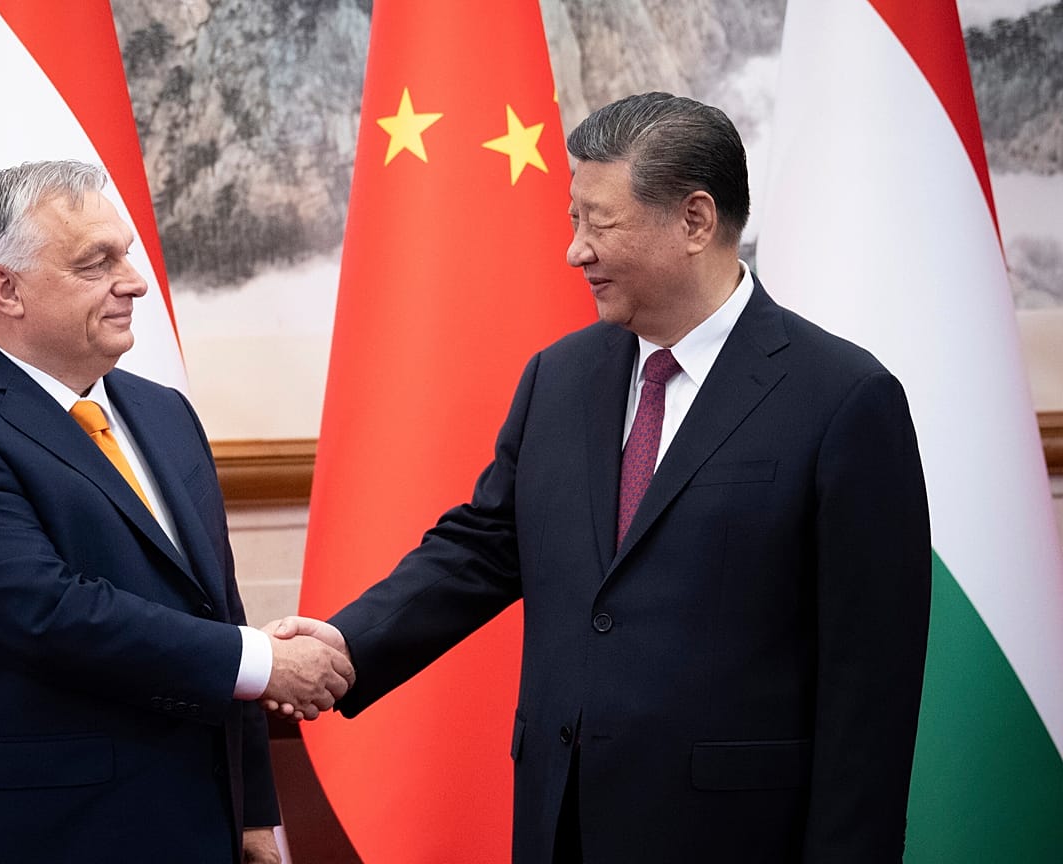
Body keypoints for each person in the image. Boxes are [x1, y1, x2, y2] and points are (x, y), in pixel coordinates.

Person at [270, 93, 931, 862]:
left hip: (736, 837)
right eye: (572, 220)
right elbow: (484, 547)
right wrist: (346, 644)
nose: (575, 250)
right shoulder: (561, 377)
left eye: (599, 222)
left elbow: (871, 692)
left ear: (694, 220)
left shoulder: (843, 399)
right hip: (563, 823)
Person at [0, 160, 352, 864]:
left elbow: (215, 606)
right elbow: (50, 615)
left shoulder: (162, 412)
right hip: (26, 837)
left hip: (188, 823)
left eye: (126, 253)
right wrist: (262, 662)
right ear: (6, 288)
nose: (135, 280)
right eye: (96, 263)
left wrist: (253, 813)